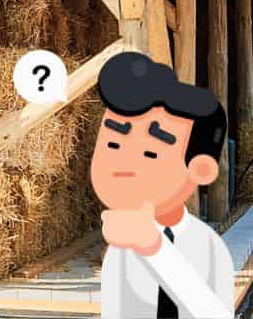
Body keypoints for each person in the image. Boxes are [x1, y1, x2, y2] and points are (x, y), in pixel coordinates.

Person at [92, 51, 234, 319]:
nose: (123, 164)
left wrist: (155, 248)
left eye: (150, 153)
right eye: (113, 145)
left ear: (201, 169)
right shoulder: (120, 252)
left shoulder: (208, 247)